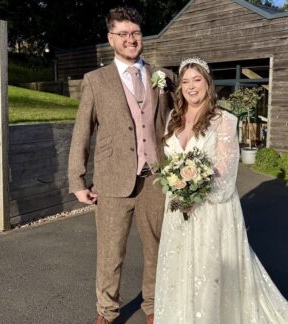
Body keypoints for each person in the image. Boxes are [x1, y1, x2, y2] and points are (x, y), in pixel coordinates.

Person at [153, 57, 288, 324]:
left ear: (208, 84)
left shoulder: (223, 120)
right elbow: (171, 163)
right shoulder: (172, 120)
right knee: (181, 269)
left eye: (197, 79)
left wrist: (194, 187)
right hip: (178, 211)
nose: (191, 86)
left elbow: (226, 173)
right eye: (186, 81)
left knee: (210, 272)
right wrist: (177, 183)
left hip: (213, 212)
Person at [67, 7, 175, 324]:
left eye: (136, 33)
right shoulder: (95, 80)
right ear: (111, 39)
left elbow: (175, 122)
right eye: (123, 34)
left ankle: (153, 305)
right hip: (113, 182)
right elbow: (82, 132)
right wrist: (77, 181)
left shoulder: (163, 77)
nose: (131, 39)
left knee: (156, 249)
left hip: (157, 178)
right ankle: (107, 310)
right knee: (111, 253)